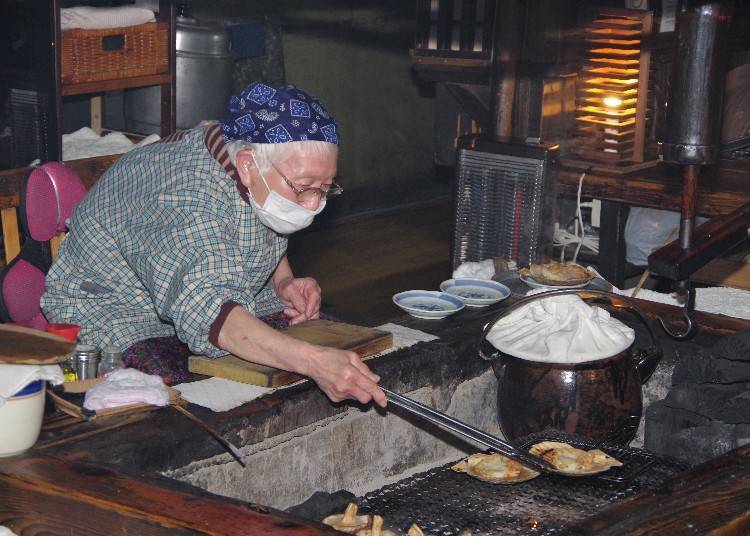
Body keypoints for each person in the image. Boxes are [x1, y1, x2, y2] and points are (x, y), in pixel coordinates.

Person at [41, 82, 385, 407]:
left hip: (210, 294)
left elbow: (256, 224)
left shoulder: (240, 149)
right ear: (249, 165)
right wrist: (315, 364)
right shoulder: (184, 194)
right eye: (304, 187)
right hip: (116, 313)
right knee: (189, 397)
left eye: (325, 188)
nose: (313, 204)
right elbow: (210, 310)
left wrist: (282, 282)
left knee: (333, 346)